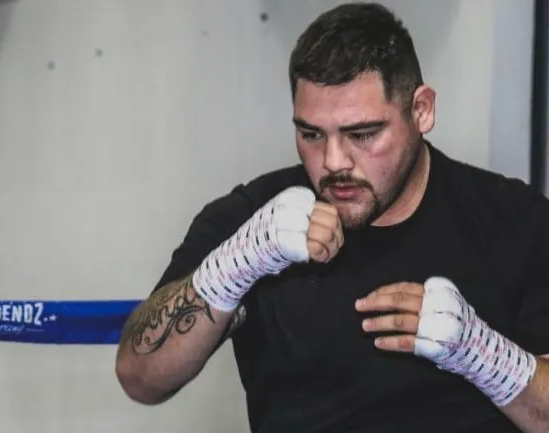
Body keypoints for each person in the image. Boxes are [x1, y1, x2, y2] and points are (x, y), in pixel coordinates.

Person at [114, 2, 549, 433]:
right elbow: (140, 377)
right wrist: (233, 267)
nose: (334, 162)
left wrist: (485, 356)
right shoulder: (253, 220)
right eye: (311, 134)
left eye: (362, 134)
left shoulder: (513, 221)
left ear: (421, 111)